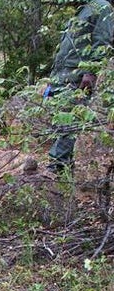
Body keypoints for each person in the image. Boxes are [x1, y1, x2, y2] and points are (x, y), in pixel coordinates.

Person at [46, 0, 113, 173]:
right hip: (62, 77)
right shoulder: (83, 9)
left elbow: (102, 42)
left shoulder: (102, 6)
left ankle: (57, 166)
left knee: (70, 122)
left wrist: (90, 72)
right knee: (60, 123)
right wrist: (51, 79)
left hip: (76, 77)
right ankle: (64, 171)